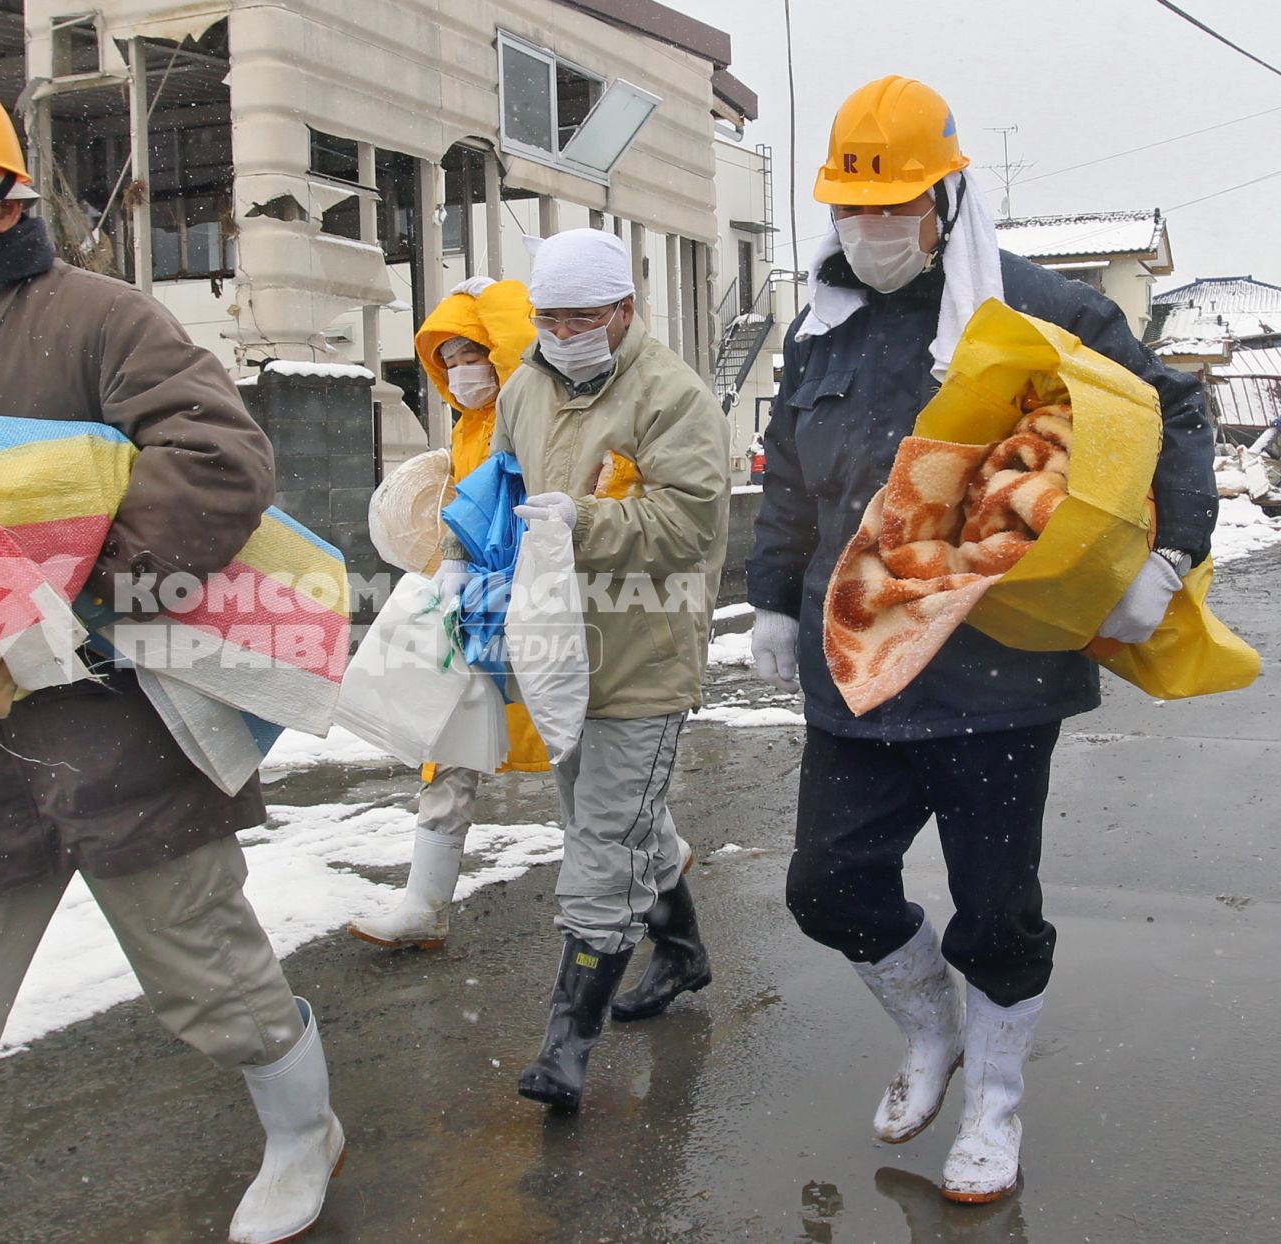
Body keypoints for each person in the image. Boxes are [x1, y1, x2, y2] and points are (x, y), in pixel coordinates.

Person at [0, 66, 343, 1244]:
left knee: (219, 989)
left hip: (117, 746)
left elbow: (220, 460)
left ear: (0, 196)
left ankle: (307, 1130)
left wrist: (70, 584)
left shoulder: (97, 318)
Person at [748, 76, 1216, 1203]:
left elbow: (1174, 413)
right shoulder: (823, 328)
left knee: (996, 905)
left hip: (996, 672)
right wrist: (771, 596)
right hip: (856, 667)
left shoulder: (1040, 307)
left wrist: (1169, 555)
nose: (872, 231)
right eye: (853, 210)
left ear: (946, 198)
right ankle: (932, 1030)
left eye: (896, 207)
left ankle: (997, 1100)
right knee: (829, 885)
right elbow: (792, 480)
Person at [438, 229, 730, 1111]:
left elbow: (688, 525)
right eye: (547, 318)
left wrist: (582, 526)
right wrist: (464, 545)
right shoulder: (526, 385)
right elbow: (505, 483)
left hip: (644, 653)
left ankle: (568, 1045)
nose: (561, 333)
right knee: (611, 812)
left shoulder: (672, 397)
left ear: (625, 311)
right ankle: (681, 953)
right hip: (558, 648)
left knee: (602, 840)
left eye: (579, 318)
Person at [347, 275, 550, 950]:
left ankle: (660, 858)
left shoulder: (532, 405)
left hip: (544, 607)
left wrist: (498, 295)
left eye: (473, 354)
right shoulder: (466, 430)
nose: (463, 371)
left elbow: (526, 349)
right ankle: (423, 905)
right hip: (476, 610)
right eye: (450, 360)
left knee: (587, 751)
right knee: (449, 748)